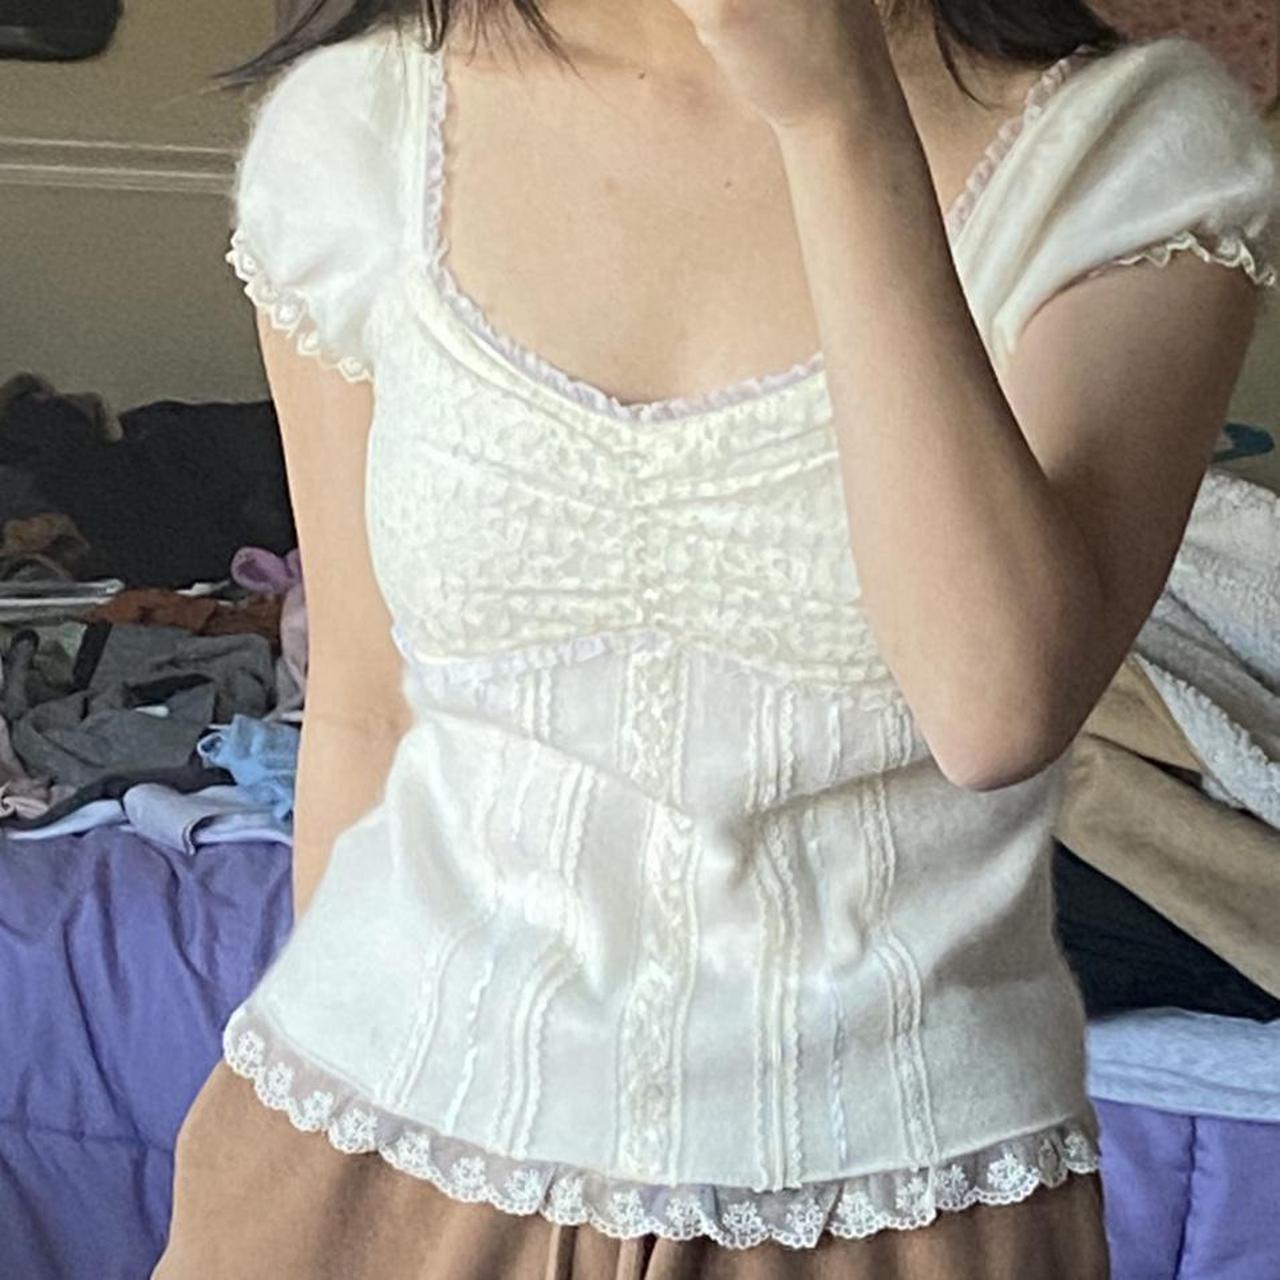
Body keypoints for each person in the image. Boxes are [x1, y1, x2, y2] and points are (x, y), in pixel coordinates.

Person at [153, 1, 1279, 1275]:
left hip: (880, 1193)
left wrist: (837, 120)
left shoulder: (1130, 154)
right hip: (363, 1150)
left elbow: (993, 706)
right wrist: (348, 1129)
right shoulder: (361, 127)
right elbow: (366, 704)